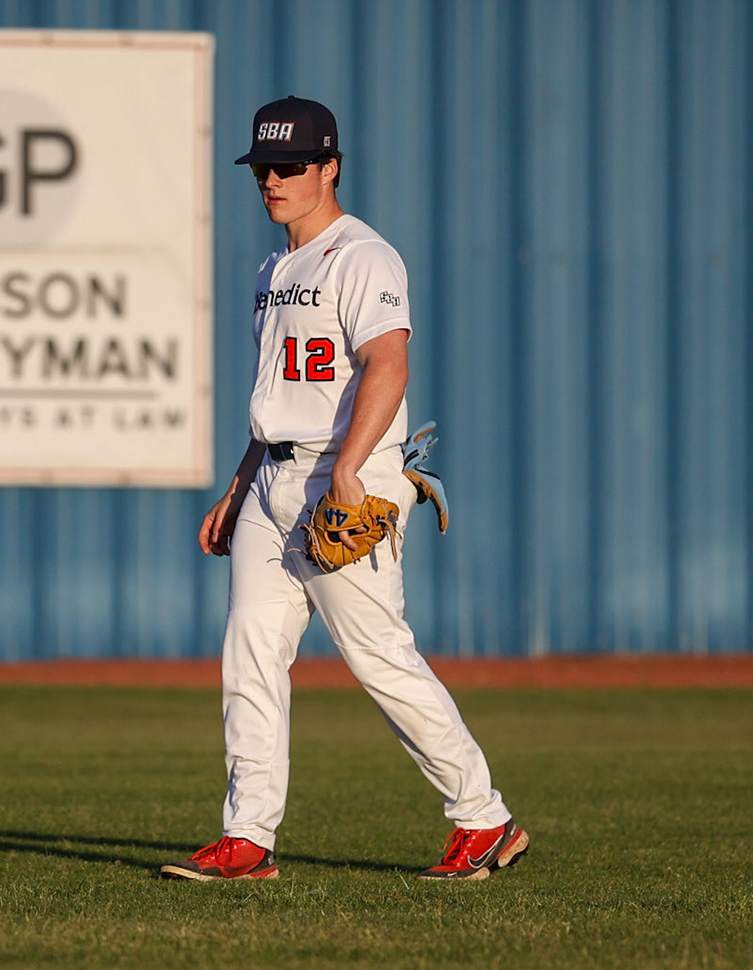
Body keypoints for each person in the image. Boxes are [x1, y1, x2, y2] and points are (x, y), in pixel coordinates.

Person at [159, 96, 528, 883]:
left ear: (329, 167)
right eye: (262, 167)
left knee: (379, 657)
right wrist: (239, 484)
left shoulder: (363, 256)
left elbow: (387, 364)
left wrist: (354, 470)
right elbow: (277, 395)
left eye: (290, 165)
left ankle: (484, 817)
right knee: (250, 655)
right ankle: (247, 836)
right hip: (273, 476)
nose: (273, 179)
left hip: (340, 476)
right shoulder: (274, 268)